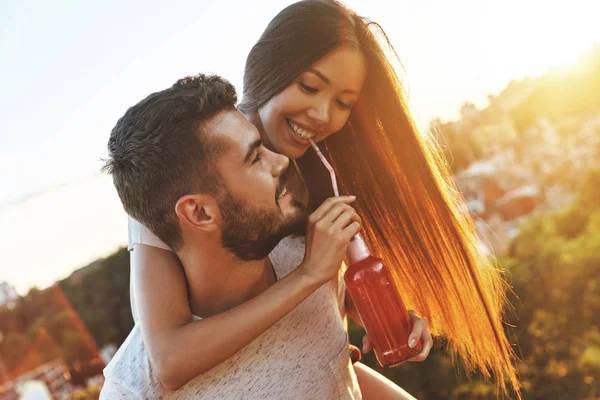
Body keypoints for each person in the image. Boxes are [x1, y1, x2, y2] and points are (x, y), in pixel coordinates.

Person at [129, 0, 519, 398]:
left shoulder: (325, 175)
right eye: (309, 86)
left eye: (343, 103)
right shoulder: (191, 168)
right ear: (269, 69)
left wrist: (388, 316)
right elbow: (169, 359)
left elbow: (329, 287)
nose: (321, 114)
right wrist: (309, 276)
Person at [101, 74, 370, 398]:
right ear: (200, 213)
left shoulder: (309, 257)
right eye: (256, 156)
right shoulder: (133, 392)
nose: (282, 161)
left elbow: (341, 374)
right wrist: (308, 276)